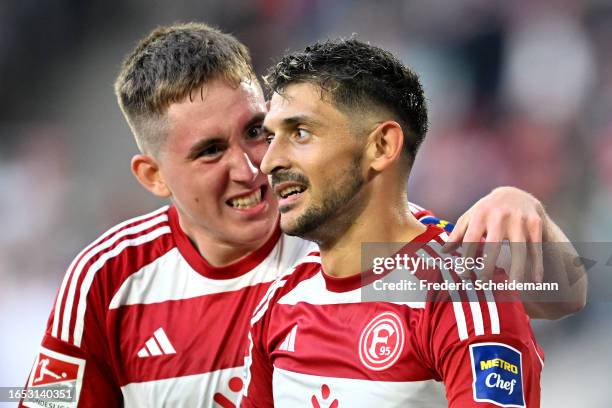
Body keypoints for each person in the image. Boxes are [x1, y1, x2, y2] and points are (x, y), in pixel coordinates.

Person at [20, 23, 583, 407]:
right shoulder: (108, 276)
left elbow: (553, 292)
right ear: (153, 176)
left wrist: (524, 207)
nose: (253, 167)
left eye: (258, 132)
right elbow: (47, 397)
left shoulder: (342, 239)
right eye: (211, 151)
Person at [241, 38, 577, 407]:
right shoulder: (278, 302)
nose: (268, 161)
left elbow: (567, 293)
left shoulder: (462, 294)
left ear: (382, 146)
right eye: (271, 137)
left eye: (300, 133)